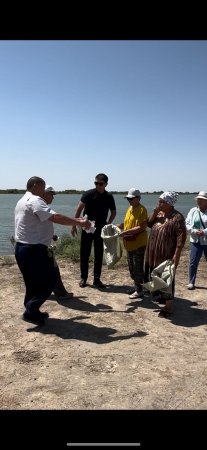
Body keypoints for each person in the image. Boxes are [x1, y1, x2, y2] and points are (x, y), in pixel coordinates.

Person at [14, 176, 91, 325]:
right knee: (49, 281)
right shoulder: (35, 200)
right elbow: (55, 217)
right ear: (35, 186)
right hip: (34, 250)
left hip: (22, 248)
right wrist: (80, 222)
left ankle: (32, 312)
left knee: (32, 283)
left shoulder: (22, 200)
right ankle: (31, 309)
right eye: (43, 188)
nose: (44, 192)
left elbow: (34, 224)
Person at [144, 191, 186, 317]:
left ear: (169, 203)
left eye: (161, 201)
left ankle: (168, 307)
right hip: (154, 253)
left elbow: (181, 238)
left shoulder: (177, 217)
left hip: (166, 254)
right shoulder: (160, 214)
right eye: (159, 201)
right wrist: (155, 213)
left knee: (168, 279)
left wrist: (176, 255)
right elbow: (149, 224)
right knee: (156, 275)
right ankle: (160, 296)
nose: (159, 203)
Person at [71, 173, 116, 288]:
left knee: (98, 253)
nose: (98, 185)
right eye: (96, 183)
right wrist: (74, 225)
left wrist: (108, 224)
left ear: (106, 184)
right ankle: (83, 278)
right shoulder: (88, 194)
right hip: (87, 227)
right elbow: (79, 209)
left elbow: (113, 212)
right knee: (84, 253)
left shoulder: (109, 196)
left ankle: (97, 279)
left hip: (101, 229)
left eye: (100, 184)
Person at [43, 185, 73, 300]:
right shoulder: (41, 207)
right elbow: (58, 218)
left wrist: (52, 235)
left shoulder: (41, 207)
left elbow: (39, 227)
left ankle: (51, 291)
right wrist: (78, 222)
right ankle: (60, 293)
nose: (53, 197)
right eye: (51, 194)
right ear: (44, 194)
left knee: (44, 270)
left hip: (43, 244)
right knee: (53, 269)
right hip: (43, 247)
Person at [116, 188, 148, 299]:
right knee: (131, 267)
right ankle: (138, 287)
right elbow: (127, 223)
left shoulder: (142, 209)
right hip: (129, 244)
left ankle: (140, 290)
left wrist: (126, 232)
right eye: (128, 199)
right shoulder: (130, 208)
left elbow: (142, 227)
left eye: (131, 198)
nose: (129, 200)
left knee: (137, 267)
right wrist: (119, 226)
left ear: (138, 198)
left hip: (138, 243)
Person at [185, 191, 207, 290]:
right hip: (195, 240)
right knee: (193, 262)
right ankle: (191, 282)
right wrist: (194, 230)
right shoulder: (193, 210)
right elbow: (187, 224)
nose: (199, 201)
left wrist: (204, 232)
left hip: (206, 240)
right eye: (198, 199)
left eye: (201, 199)